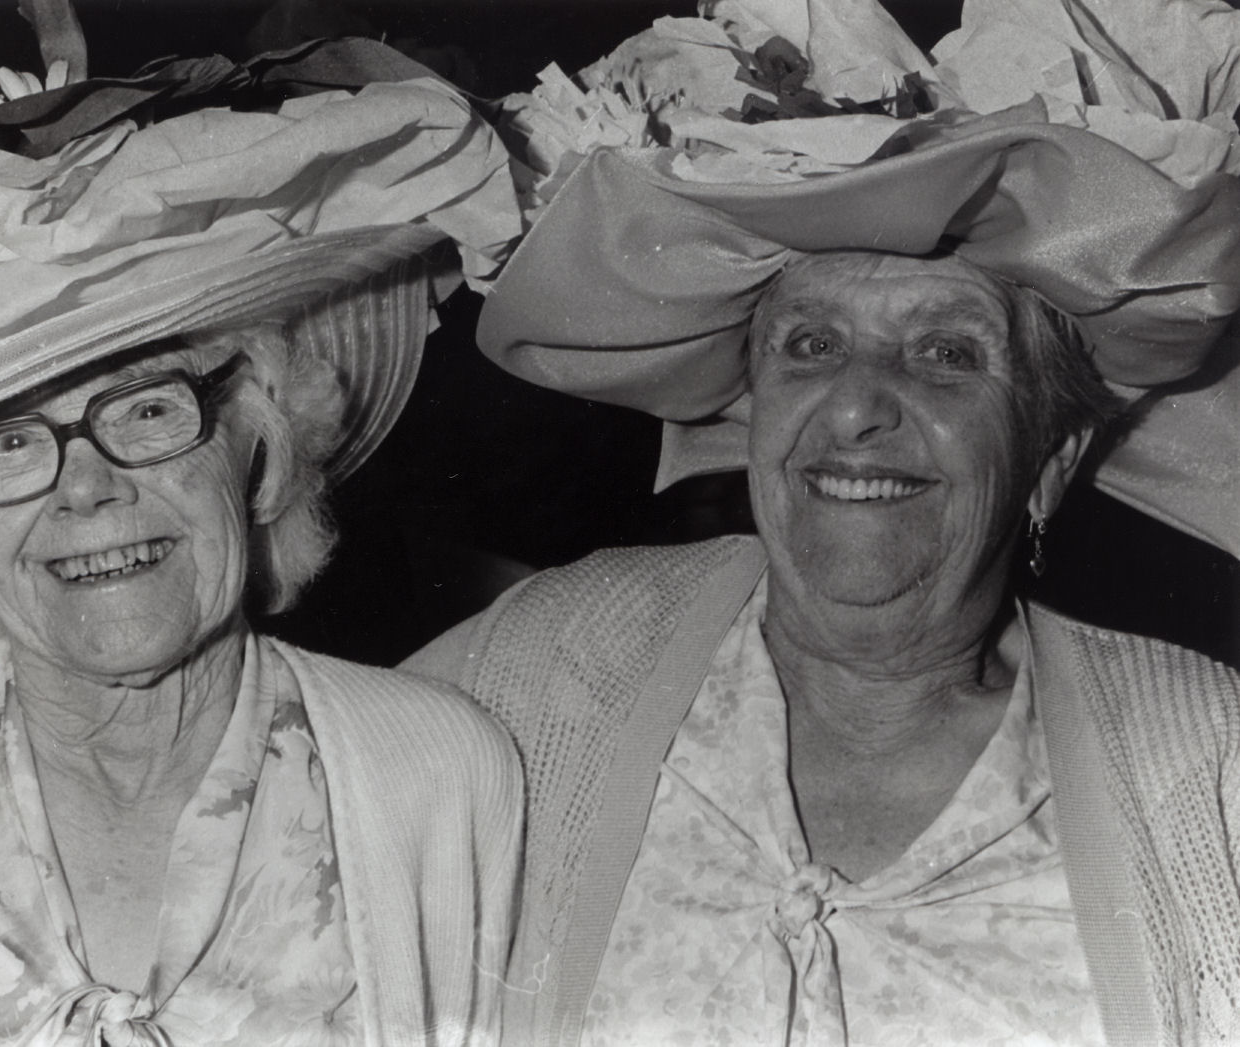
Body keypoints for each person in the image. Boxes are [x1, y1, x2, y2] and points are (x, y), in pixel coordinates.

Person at [405, 1, 1240, 1044]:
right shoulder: (548, 662)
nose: (854, 408)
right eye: (810, 345)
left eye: (946, 353)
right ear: (751, 406)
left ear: (1050, 458)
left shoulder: (1207, 763)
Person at [0, 33, 523, 1047]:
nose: (87, 489)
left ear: (258, 451)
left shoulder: (437, 773)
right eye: (7, 439)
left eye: (149, 409)